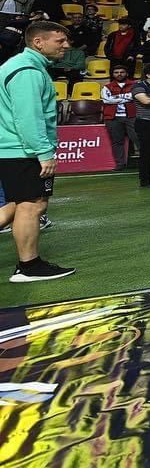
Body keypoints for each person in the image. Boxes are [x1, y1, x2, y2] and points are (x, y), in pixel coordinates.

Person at [0, 21, 74, 282]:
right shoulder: (28, 71)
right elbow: (28, 117)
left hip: (13, 148)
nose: (66, 45)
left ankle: (29, 265)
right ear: (38, 42)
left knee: (17, 204)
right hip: (22, 150)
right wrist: (44, 152)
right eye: (60, 41)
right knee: (33, 204)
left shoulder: (21, 66)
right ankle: (28, 267)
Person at [101, 65, 141, 168]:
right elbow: (106, 100)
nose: (119, 74)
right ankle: (120, 164)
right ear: (113, 74)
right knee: (117, 141)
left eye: (122, 72)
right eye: (116, 72)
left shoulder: (135, 85)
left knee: (139, 139)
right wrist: (126, 98)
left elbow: (135, 97)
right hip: (113, 118)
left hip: (132, 116)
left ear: (126, 73)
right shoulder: (107, 87)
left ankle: (147, 163)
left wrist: (115, 98)